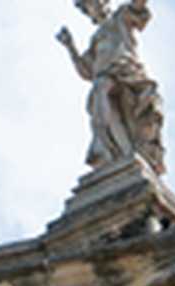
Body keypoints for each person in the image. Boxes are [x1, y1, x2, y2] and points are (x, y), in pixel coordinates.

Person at [58, 0, 166, 175]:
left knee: (141, 121)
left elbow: (138, 6)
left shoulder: (121, 17)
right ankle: (112, 150)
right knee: (100, 91)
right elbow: (86, 71)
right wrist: (70, 47)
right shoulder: (96, 39)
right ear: (89, 13)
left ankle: (129, 153)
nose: (97, 5)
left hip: (129, 75)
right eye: (91, 5)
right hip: (105, 78)